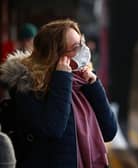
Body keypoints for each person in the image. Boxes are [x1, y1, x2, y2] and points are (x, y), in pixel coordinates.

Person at [0, 19, 117, 168]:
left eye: (82, 43)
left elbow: (109, 131)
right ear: (55, 55)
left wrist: (94, 86)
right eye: (76, 47)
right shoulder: (29, 88)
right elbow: (53, 129)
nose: (84, 50)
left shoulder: (83, 81)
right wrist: (61, 79)